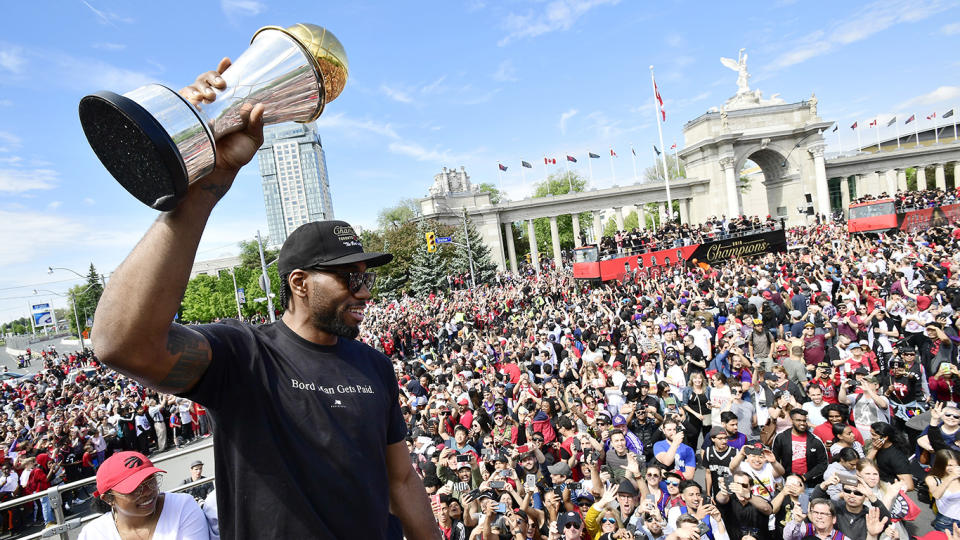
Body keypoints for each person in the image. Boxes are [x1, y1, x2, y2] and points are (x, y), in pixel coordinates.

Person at [91, 64, 435, 540]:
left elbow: (400, 478)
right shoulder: (244, 357)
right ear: (299, 282)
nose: (364, 290)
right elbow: (119, 343)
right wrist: (207, 184)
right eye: (349, 277)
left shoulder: (375, 366)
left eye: (366, 275)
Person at [79, 451, 209, 539]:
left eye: (151, 481)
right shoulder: (92, 534)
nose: (148, 491)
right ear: (108, 498)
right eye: (135, 489)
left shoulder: (182, 507)